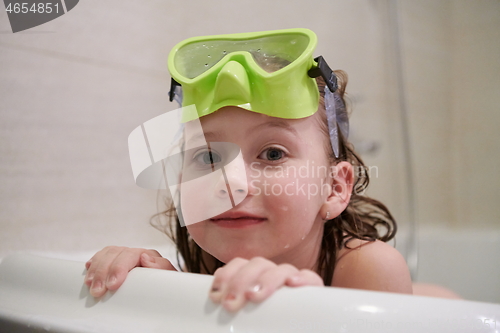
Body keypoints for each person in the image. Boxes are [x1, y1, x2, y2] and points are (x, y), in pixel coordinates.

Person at [84, 28, 413, 312]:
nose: (230, 183)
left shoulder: (369, 270)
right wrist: (168, 294)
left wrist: (309, 312)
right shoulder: (204, 262)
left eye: (272, 153)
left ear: (334, 188)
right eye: (208, 158)